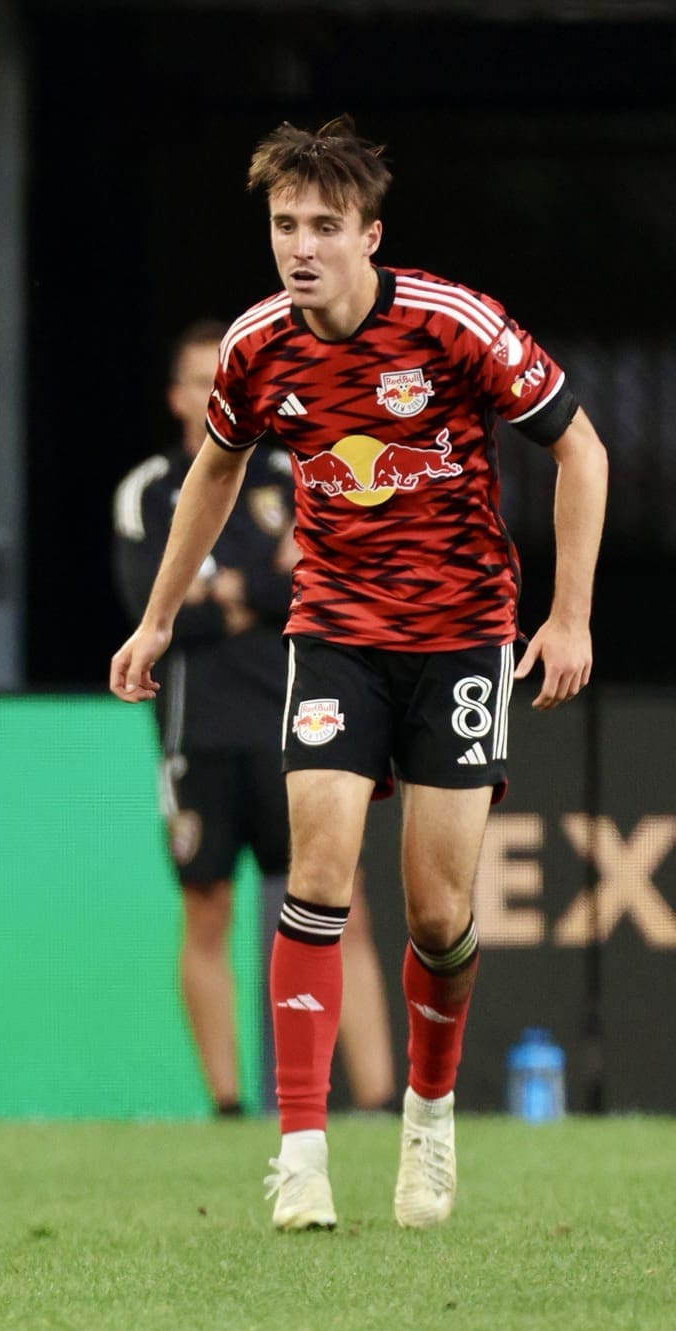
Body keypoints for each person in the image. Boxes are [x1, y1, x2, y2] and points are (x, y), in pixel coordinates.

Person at [110, 116, 606, 1232]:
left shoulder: (448, 323)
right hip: (331, 629)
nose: (299, 246)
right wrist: (153, 620)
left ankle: (425, 1122)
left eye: (322, 226)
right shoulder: (255, 345)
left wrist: (566, 617)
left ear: (368, 233)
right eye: (284, 224)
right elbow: (211, 475)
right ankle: (298, 1150)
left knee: (435, 913)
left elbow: (580, 447)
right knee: (318, 871)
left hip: (461, 635)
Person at [114, 320, 393, 1121]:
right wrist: (254, 588)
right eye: (197, 380)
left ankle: (375, 1096)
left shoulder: (298, 473)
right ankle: (229, 1102)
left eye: (224, 378)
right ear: (175, 396)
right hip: (197, 733)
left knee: (343, 904)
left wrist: (221, 588)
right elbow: (156, 611)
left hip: (306, 724)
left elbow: (327, 586)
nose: (213, 393)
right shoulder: (150, 490)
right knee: (209, 908)